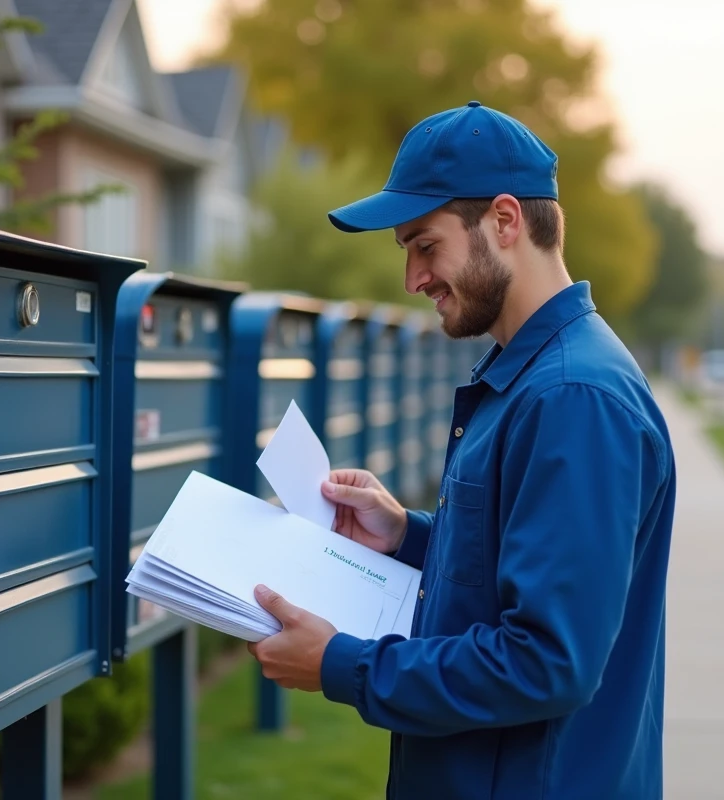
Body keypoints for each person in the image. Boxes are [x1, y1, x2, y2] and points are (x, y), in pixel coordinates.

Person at [247, 100, 677, 799]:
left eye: (425, 245)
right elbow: (520, 563)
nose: (413, 280)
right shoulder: (532, 376)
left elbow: (546, 661)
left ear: (505, 222)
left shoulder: (571, 397)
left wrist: (341, 664)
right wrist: (409, 537)